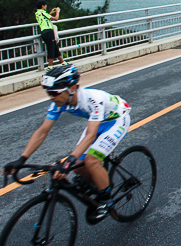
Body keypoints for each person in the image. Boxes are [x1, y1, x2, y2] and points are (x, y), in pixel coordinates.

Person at [3, 65, 131, 220]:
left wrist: (68, 161)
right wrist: (22, 159)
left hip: (117, 120)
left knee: (91, 161)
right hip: (98, 122)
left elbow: (90, 135)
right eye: (48, 93)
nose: (51, 97)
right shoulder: (58, 103)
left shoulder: (92, 100)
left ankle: (106, 200)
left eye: (54, 93)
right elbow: (43, 131)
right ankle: (99, 183)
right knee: (78, 166)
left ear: (71, 88)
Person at [35, 0, 66, 68]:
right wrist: (57, 12)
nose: (46, 6)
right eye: (45, 5)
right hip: (48, 31)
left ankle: (63, 62)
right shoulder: (43, 13)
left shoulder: (38, 13)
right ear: (42, 6)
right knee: (51, 48)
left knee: (54, 46)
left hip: (44, 32)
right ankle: (50, 66)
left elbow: (45, 19)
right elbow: (56, 18)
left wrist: (51, 13)